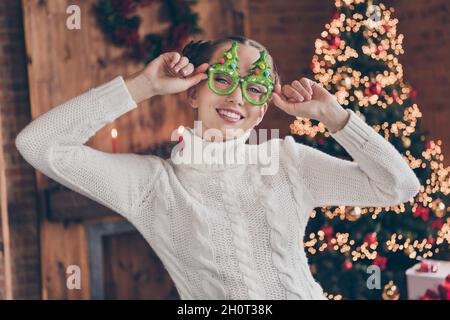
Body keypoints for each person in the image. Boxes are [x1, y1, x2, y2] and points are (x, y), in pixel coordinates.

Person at [15, 35, 421, 300]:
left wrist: (335, 117)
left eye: (255, 87)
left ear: (262, 109)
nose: (237, 98)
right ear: (193, 91)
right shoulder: (152, 187)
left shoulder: (288, 162)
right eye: (223, 79)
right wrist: (143, 86)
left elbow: (398, 186)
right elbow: (39, 145)